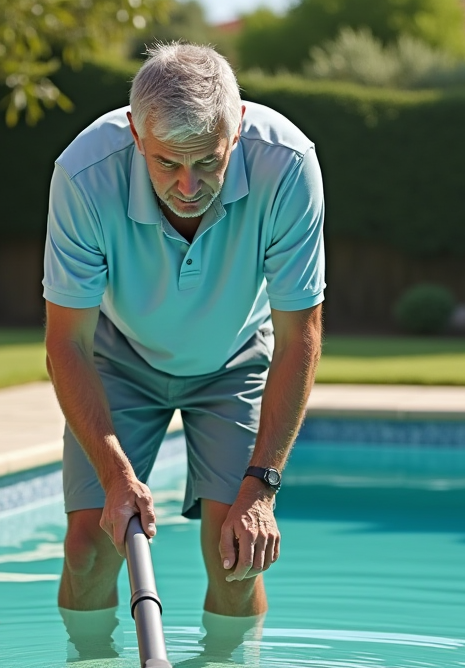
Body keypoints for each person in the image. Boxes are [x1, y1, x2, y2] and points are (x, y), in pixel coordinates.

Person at [42, 42, 325, 623]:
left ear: (237, 127)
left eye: (208, 162)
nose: (189, 186)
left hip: (235, 359)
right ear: (135, 134)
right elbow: (66, 343)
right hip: (118, 357)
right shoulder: (83, 174)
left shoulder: (289, 164)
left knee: (238, 558)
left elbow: (300, 337)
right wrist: (116, 477)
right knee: (87, 549)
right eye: (168, 163)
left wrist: (262, 489)